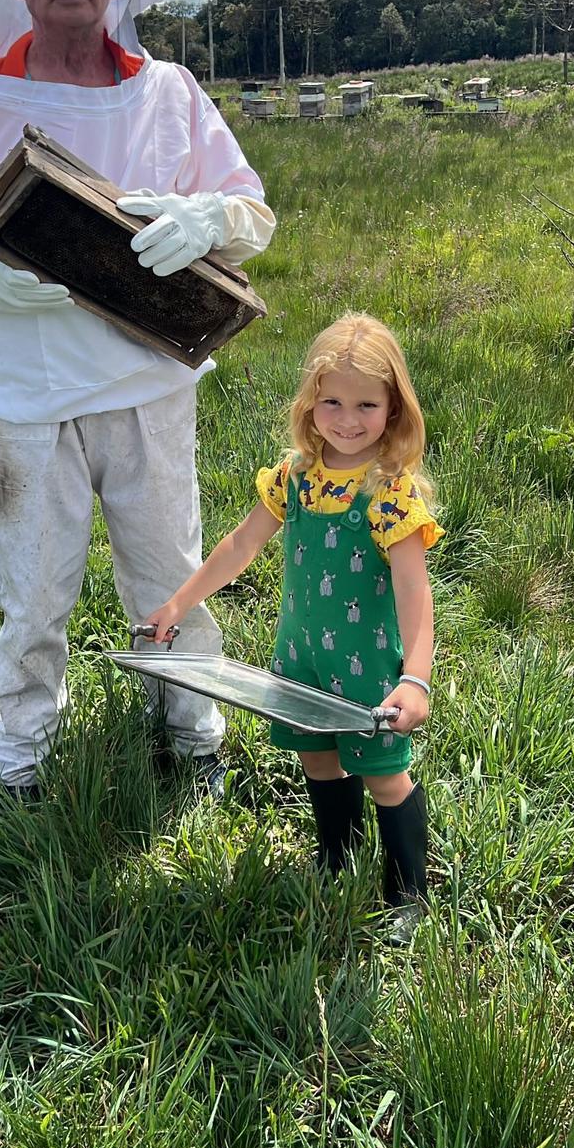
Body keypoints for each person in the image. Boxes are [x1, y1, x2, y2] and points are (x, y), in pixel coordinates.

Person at [0, 0, 275, 801]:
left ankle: (193, 732)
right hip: (22, 393)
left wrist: (209, 217)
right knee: (33, 593)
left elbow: (253, 213)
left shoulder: (170, 92)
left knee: (172, 574)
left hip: (149, 384)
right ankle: (21, 756)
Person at [146, 312, 443, 944]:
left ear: (393, 409)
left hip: (367, 668)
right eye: (332, 401)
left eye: (366, 405)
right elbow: (240, 545)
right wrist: (178, 605)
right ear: (311, 402)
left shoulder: (389, 494)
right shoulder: (296, 476)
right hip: (302, 656)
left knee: (383, 773)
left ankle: (407, 892)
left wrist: (415, 678)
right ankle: (338, 856)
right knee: (317, 757)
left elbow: (415, 594)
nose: (346, 419)